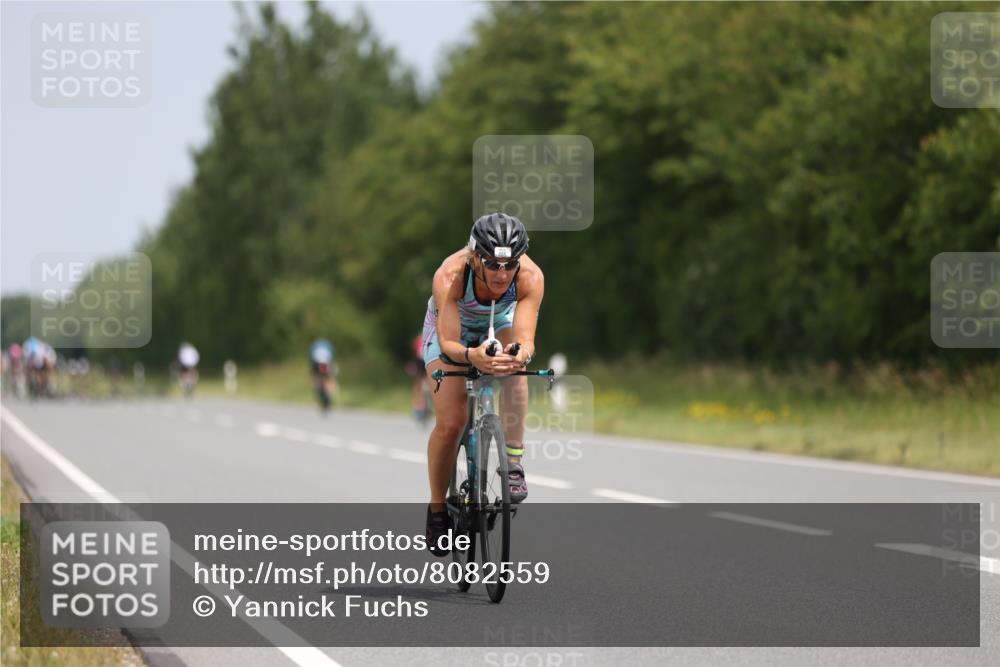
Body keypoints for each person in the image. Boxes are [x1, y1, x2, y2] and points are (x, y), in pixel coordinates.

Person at [420, 212, 544, 556]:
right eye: (492, 264)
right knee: (452, 422)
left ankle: (514, 462)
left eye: (509, 265)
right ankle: (437, 509)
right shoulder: (450, 275)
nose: (502, 274)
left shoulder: (531, 276)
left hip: (499, 320)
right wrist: (472, 356)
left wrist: (519, 354)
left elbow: (526, 339)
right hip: (451, 328)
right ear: (476, 257)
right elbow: (448, 345)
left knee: (514, 370)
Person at [309, 339, 337, 411]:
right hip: (327, 363)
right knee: (329, 378)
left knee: (316, 377)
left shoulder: (314, 346)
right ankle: (330, 391)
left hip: (317, 363)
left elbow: (311, 358)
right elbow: (333, 356)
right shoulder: (328, 345)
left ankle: (318, 387)